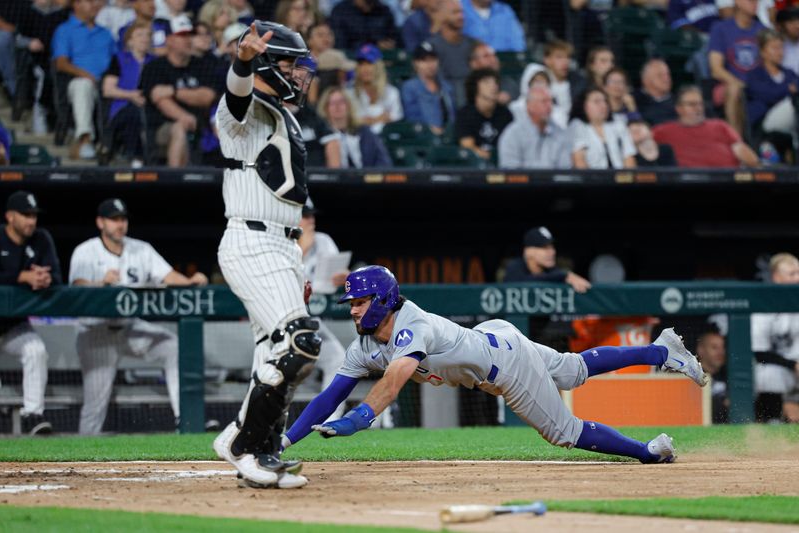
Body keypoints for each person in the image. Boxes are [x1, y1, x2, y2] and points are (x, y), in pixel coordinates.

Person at [280, 265, 707, 468]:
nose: (353, 311)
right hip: (495, 335)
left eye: (360, 302)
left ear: (385, 299)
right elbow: (327, 396)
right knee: (573, 370)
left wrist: (356, 420)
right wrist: (284, 441)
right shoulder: (363, 346)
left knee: (563, 432)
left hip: (505, 365)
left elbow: (392, 385)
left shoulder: (412, 324)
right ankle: (661, 351)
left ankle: (647, 454)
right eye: (351, 304)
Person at [211, 21, 322, 491]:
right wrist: (242, 60)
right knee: (298, 343)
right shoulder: (241, 111)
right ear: (265, 64)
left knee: (272, 353)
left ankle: (257, 439)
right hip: (251, 240)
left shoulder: (285, 116)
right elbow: (237, 93)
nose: (299, 74)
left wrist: (293, 265)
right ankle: (246, 446)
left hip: (281, 244)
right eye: (290, 64)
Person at [68, 198, 208, 436]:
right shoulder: (85, 251)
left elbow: (166, 275)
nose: (120, 224)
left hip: (130, 328)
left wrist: (189, 281)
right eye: (114, 219)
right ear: (100, 222)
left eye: (122, 219)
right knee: (95, 405)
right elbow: (76, 287)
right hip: (96, 332)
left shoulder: (140, 249)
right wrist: (100, 283)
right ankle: (81, 462)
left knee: (173, 346)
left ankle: (183, 420)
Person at [0, 191, 60, 435]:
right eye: (25, 215)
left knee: (36, 351)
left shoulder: (41, 239)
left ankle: (33, 416)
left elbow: (57, 276)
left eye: (33, 215)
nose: (31, 221)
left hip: (14, 325)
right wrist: (21, 277)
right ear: (10, 217)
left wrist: (45, 279)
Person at [139, 15, 219, 167]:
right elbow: (160, 99)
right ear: (169, 40)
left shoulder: (202, 65)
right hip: (161, 128)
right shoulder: (155, 67)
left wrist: (173, 91)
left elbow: (208, 96)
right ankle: (175, 182)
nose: (188, 39)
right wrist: (185, 117)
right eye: (182, 35)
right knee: (179, 127)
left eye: (190, 35)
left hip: (202, 125)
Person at [298, 199, 349, 420]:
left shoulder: (323, 240)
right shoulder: (278, 240)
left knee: (337, 358)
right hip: (276, 319)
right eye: (305, 215)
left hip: (308, 318)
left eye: (312, 215)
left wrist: (344, 276)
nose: (311, 220)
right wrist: (301, 249)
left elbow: (333, 274)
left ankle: (330, 421)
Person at [51, 0, 115, 160]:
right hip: (77, 82)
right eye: (89, 1)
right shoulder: (64, 30)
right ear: (76, 4)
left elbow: (117, 62)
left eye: (96, 2)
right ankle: (85, 139)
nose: (95, 5)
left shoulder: (105, 33)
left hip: (107, 84)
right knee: (83, 86)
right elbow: (61, 63)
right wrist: (87, 75)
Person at [652, 85, 760, 167]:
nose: (698, 108)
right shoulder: (664, 130)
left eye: (700, 104)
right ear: (679, 108)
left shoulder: (720, 126)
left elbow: (741, 149)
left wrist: (758, 168)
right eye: (692, 104)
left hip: (726, 182)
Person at [751, 253, 799, 423]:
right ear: (777, 277)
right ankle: (772, 421)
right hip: (782, 367)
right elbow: (759, 352)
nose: (798, 278)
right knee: (769, 374)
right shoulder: (764, 305)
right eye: (792, 274)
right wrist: (793, 365)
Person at [101, 20, 155, 166]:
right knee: (133, 114)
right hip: (122, 107)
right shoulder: (118, 59)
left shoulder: (156, 62)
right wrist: (132, 95)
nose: (145, 38)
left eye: (148, 35)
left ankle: (135, 156)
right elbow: (108, 90)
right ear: (130, 41)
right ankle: (134, 156)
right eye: (139, 35)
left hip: (149, 107)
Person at [709, 0, 767, 134]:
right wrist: (738, 82)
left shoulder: (762, 29)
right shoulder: (721, 28)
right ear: (738, 2)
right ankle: (736, 140)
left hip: (758, 83)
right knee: (734, 89)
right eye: (750, 1)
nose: (755, 4)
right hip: (730, 83)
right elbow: (716, 69)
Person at [498, 86, 571, 169]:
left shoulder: (560, 134)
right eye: (544, 101)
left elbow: (565, 169)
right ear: (529, 106)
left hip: (552, 182)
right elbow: (510, 170)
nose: (549, 106)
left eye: (550, 102)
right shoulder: (513, 134)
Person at [318, 86, 392, 168]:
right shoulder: (321, 136)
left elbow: (383, 160)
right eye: (332, 103)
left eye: (341, 102)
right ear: (325, 108)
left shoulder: (364, 132)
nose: (337, 106)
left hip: (364, 177)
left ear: (348, 105)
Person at [746, 30, 799, 144]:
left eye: (781, 47)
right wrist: (788, 89)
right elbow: (768, 95)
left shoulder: (789, 73)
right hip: (765, 123)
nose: (780, 52)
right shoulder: (755, 75)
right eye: (775, 48)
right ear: (763, 52)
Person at [519, 40, 586, 130]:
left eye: (568, 57)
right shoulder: (537, 76)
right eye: (559, 57)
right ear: (547, 60)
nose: (565, 62)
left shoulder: (578, 82)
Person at [502, 226, 591, 293]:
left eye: (552, 247)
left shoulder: (552, 270)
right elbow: (524, 282)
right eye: (544, 248)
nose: (552, 252)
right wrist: (563, 276)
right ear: (528, 251)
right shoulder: (515, 267)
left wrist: (565, 276)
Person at [568, 87, 637, 169]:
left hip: (620, 178)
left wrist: (627, 180)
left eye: (605, 101)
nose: (603, 105)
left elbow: (628, 156)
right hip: (592, 178)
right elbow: (579, 160)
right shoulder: (577, 126)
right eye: (597, 102)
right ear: (584, 106)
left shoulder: (618, 124)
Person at [455, 68, 513, 162]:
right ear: (475, 87)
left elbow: (512, 143)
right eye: (486, 82)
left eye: (495, 82)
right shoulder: (465, 114)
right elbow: (467, 146)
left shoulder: (505, 114)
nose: (493, 86)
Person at [428, 0, 477, 108]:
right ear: (442, 16)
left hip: (471, 92)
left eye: (461, 12)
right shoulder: (432, 46)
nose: (461, 17)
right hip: (447, 96)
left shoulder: (472, 43)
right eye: (455, 13)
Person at [345, 44, 403, 135]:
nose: (365, 69)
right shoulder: (348, 92)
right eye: (361, 64)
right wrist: (377, 119)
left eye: (369, 63)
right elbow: (348, 122)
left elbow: (396, 122)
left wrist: (365, 121)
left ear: (378, 66)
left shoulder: (392, 92)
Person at [401, 42, 455, 135]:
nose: (430, 64)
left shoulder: (446, 87)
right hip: (423, 137)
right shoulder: (410, 87)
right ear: (416, 63)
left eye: (433, 59)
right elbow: (412, 117)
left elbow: (452, 115)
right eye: (425, 60)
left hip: (448, 135)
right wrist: (429, 129)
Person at [329, 0, 399, 51]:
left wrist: (390, 44)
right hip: (352, 60)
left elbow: (395, 38)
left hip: (383, 59)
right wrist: (373, 46)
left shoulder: (384, 10)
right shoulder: (340, 11)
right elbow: (340, 45)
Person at [461, 0, 525, 52]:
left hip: (505, 61)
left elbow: (518, 45)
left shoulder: (505, 10)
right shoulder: (459, 8)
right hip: (468, 61)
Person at [696, 328, 728, 423]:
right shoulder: (689, 376)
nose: (720, 353)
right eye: (714, 348)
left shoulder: (729, 375)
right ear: (701, 350)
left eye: (723, 347)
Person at [634, 59, 677, 126]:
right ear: (645, 79)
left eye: (667, 74)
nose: (666, 78)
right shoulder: (633, 100)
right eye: (660, 75)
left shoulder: (679, 102)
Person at [777, 7, 799, 74]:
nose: (797, 26)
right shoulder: (777, 47)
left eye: (798, 21)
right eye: (791, 22)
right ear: (781, 26)